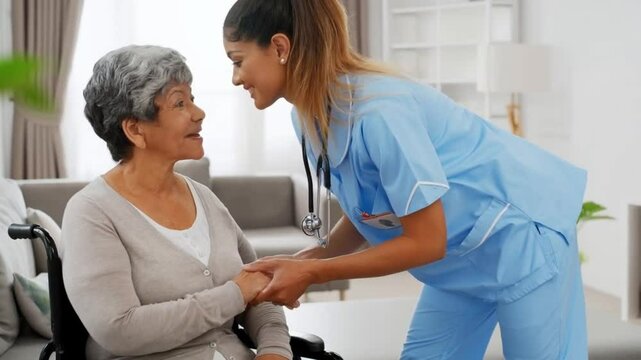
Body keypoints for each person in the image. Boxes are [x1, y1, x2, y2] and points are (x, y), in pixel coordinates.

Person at [222, 1, 588, 359]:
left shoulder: (381, 112)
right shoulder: (305, 119)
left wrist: (314, 272)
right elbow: (372, 206)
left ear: (280, 47)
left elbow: (426, 241)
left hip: (521, 238)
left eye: (238, 61)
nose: (236, 78)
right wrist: (308, 258)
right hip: (460, 256)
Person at [61, 45, 292, 360]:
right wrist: (234, 295)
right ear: (135, 129)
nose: (199, 113)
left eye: (192, 98)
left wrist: (275, 351)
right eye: (179, 103)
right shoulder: (91, 213)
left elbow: (259, 290)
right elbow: (119, 330)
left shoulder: (205, 199)